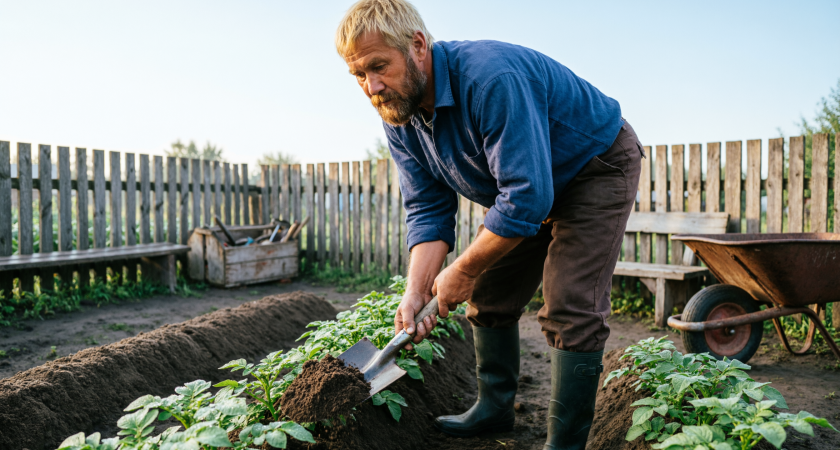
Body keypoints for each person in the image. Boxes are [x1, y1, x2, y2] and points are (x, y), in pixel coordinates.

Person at [336, 1, 643, 448]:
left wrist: (460, 269)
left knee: (569, 305)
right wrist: (416, 290)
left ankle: (565, 443)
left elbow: (526, 196)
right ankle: (494, 409)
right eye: (359, 75)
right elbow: (427, 207)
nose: (372, 86)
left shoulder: (489, 79)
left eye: (379, 66)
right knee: (490, 295)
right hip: (525, 188)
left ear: (418, 45)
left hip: (593, 166)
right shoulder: (399, 112)